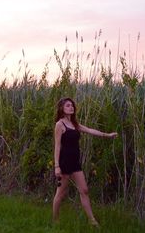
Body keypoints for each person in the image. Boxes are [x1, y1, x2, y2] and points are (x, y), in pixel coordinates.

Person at [52, 97, 118, 226]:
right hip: (64, 163)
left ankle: (92, 220)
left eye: (72, 105)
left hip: (75, 163)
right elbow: (57, 146)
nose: (71, 107)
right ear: (62, 109)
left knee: (84, 190)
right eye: (68, 106)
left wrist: (107, 135)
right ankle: (55, 220)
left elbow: (90, 130)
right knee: (61, 193)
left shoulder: (75, 124)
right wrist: (57, 166)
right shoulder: (60, 124)